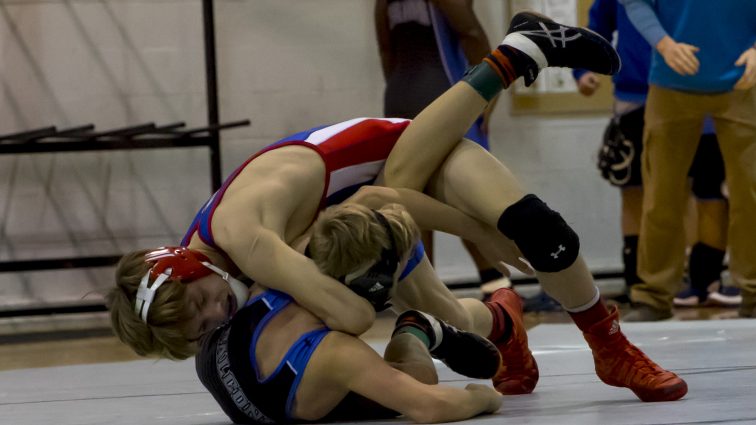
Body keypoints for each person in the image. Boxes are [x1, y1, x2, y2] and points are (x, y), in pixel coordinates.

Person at [109, 12, 687, 402]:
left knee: (538, 233)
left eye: (203, 305)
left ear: (187, 267)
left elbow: (379, 217)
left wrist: (480, 235)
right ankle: (506, 321)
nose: (217, 319)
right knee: (456, 321)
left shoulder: (245, 239)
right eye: (201, 332)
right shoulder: (222, 263)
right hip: (367, 207)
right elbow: (372, 223)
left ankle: (611, 348)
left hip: (394, 159)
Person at [194, 203, 504, 424]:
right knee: (418, 379)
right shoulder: (337, 354)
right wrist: (484, 398)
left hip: (215, 364)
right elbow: (430, 407)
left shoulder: (280, 268)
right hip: (276, 398)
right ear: (376, 285)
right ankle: (416, 329)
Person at [572, 0, 736, 307]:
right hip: (637, 93)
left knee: (708, 187)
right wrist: (583, 69)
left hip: (704, 86)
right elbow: (598, 26)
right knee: (639, 187)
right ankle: (640, 282)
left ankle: (704, 278)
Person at [619, 0, 756, 321]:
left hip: (744, 81)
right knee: (660, 193)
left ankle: (754, 290)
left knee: (751, 192)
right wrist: (664, 44)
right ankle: (653, 295)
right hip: (671, 80)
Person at [374, 0, 507, 290]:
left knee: (411, 198)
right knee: (467, 196)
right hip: (443, 91)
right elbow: (471, 32)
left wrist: (401, 95)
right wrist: (487, 94)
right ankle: (498, 287)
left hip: (399, 94)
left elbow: (386, 50)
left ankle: (425, 294)